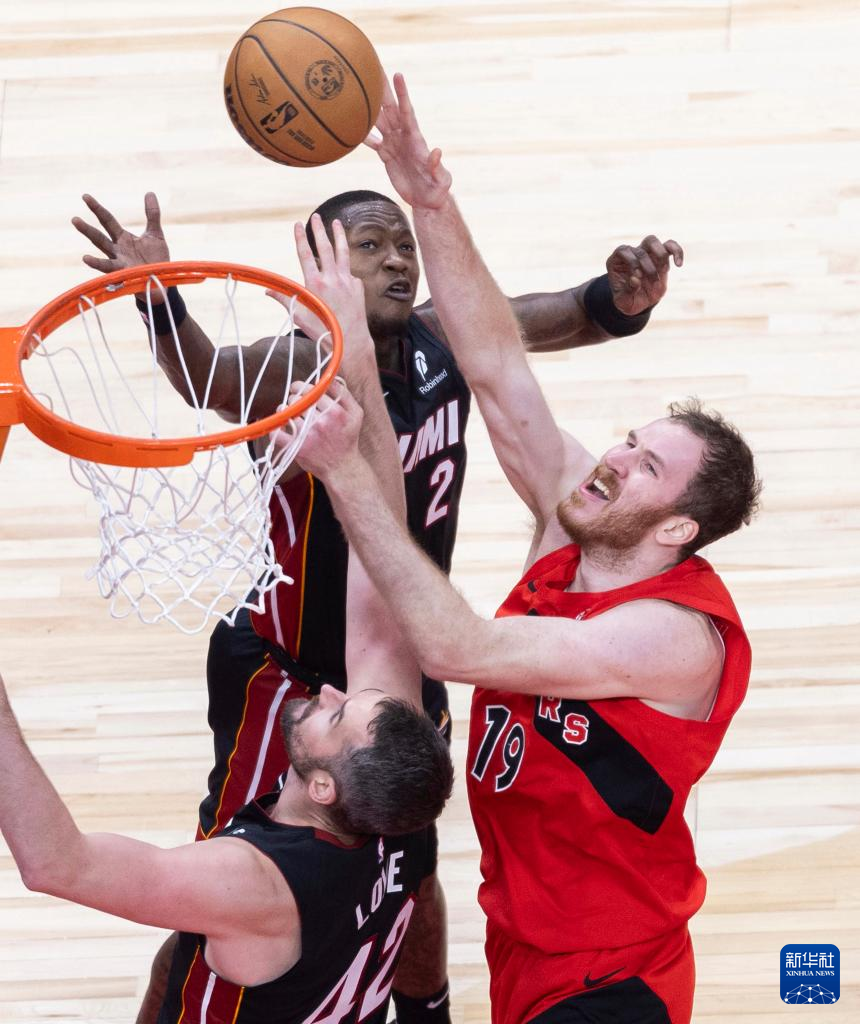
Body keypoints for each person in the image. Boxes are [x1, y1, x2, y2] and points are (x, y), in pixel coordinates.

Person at [72, 186, 677, 1022]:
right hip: (293, 683)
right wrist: (160, 298)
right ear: (326, 264)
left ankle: (427, 1013)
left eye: (403, 245)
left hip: (400, 654)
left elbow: (560, 315)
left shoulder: (441, 336)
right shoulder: (298, 364)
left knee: (411, 868)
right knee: (214, 897)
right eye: (370, 246)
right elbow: (208, 377)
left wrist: (620, 300)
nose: (397, 260)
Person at [290, 75, 762, 1024]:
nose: (614, 460)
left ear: (675, 531)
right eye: (629, 441)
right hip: (526, 952)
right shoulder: (580, 519)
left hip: (613, 976)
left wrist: (346, 475)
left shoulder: (671, 636)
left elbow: (455, 646)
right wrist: (430, 199)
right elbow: (497, 366)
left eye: (645, 467)